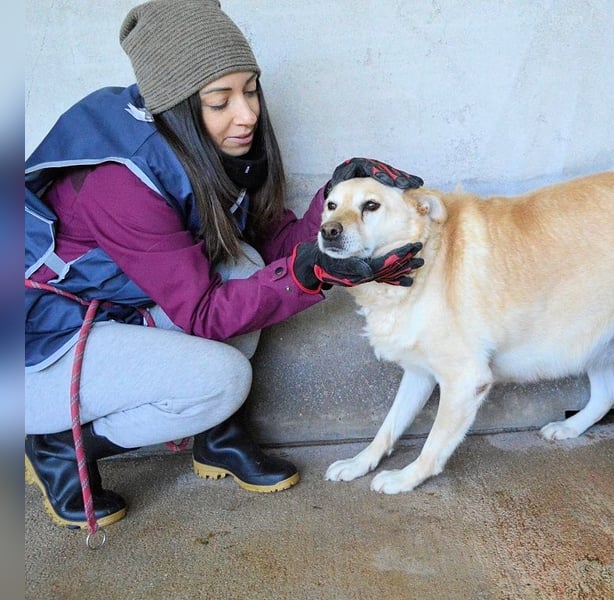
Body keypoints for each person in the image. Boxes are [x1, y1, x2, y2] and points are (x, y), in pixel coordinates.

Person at [24, 0, 424, 531]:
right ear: (176, 106)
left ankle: (214, 437)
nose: (248, 114)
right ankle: (57, 443)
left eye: (250, 90)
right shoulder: (118, 181)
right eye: (220, 100)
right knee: (222, 379)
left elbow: (275, 246)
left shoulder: (207, 149)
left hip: (112, 312)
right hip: (41, 350)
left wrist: (336, 198)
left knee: (243, 264)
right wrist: (313, 275)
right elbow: (204, 314)